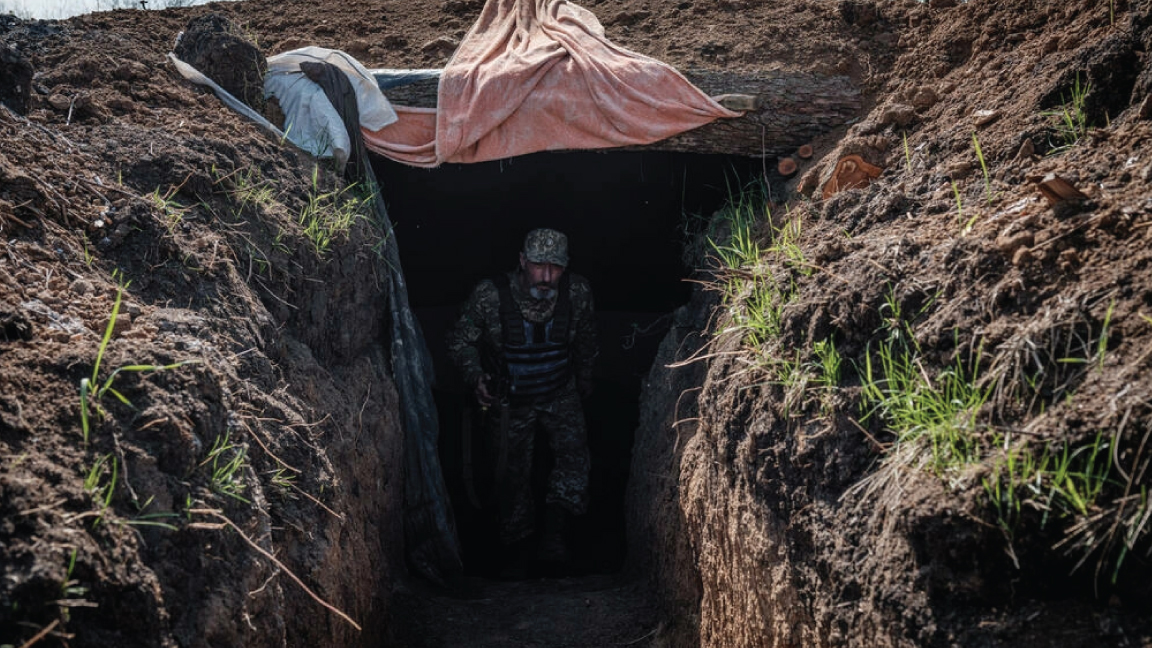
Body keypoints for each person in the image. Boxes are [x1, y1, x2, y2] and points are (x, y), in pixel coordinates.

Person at [446, 228, 597, 571]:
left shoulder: (577, 293)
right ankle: (516, 548)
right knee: (511, 475)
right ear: (522, 261)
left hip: (561, 392)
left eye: (555, 268)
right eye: (539, 266)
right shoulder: (490, 296)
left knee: (575, 463)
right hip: (510, 401)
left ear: (566, 266)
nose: (546, 277)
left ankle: (556, 536)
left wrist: (586, 380)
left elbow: (587, 340)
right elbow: (458, 341)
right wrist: (475, 377)